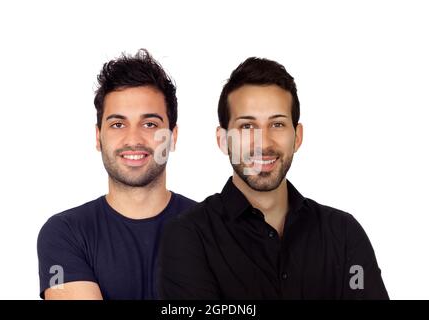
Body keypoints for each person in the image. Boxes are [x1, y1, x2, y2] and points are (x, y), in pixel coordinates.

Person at [158, 57, 389, 299]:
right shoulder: (189, 237)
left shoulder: (343, 234)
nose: (264, 143)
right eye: (247, 127)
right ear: (223, 140)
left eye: (277, 124)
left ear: (297, 137)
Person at [37, 49, 196, 299]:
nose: (133, 139)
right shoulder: (65, 233)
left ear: (172, 137)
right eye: (118, 124)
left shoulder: (214, 230)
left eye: (150, 124)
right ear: (98, 137)